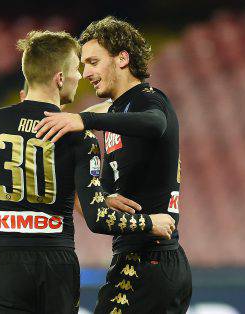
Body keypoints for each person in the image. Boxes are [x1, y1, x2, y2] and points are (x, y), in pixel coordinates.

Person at [0, 30, 175, 314]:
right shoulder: (79, 136)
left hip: (3, 261)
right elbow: (97, 218)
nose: (80, 76)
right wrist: (148, 223)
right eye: (76, 70)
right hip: (57, 263)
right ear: (59, 78)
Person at [34, 17, 192, 313]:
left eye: (93, 62)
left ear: (122, 58)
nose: (86, 73)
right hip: (144, 260)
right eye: (83, 65)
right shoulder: (119, 115)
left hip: (149, 261)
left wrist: (85, 120)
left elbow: (156, 124)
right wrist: (101, 196)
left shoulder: (149, 100)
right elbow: (106, 191)